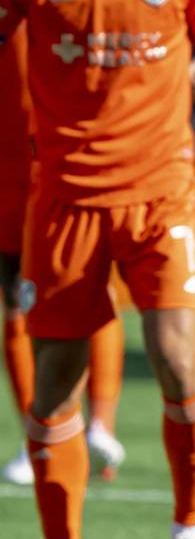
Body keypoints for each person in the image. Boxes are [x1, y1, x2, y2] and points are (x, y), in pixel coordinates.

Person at [0, 0, 195, 539]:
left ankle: (191, 538)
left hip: (161, 193)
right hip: (62, 201)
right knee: (55, 382)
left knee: (176, 357)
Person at [0, 27, 126, 487]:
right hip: (10, 163)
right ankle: (37, 438)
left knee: (91, 287)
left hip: (67, 156)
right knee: (17, 299)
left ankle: (100, 428)